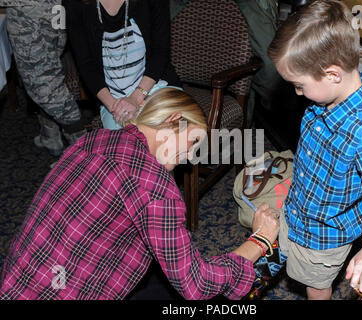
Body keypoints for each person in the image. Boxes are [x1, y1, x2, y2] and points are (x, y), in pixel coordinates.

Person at [0, 88, 280, 300]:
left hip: (19, 279)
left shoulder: (94, 137)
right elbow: (196, 283)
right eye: (194, 141)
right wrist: (260, 240)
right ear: (173, 120)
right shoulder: (156, 187)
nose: (191, 156)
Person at [260, 0, 362, 300]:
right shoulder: (324, 98)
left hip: (325, 237)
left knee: (316, 285)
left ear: (332, 74)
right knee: (279, 256)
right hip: (297, 210)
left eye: (299, 85)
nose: (297, 93)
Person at [63, 0, 182, 130]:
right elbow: (86, 65)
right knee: (127, 146)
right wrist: (115, 107)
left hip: (156, 86)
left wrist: (136, 99)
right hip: (112, 100)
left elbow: (160, 52)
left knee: (170, 136)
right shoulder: (74, 4)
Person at [5, 0, 87, 157]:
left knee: (44, 83)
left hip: (28, 11)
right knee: (51, 73)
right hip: (52, 8)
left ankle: (84, 153)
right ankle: (50, 135)